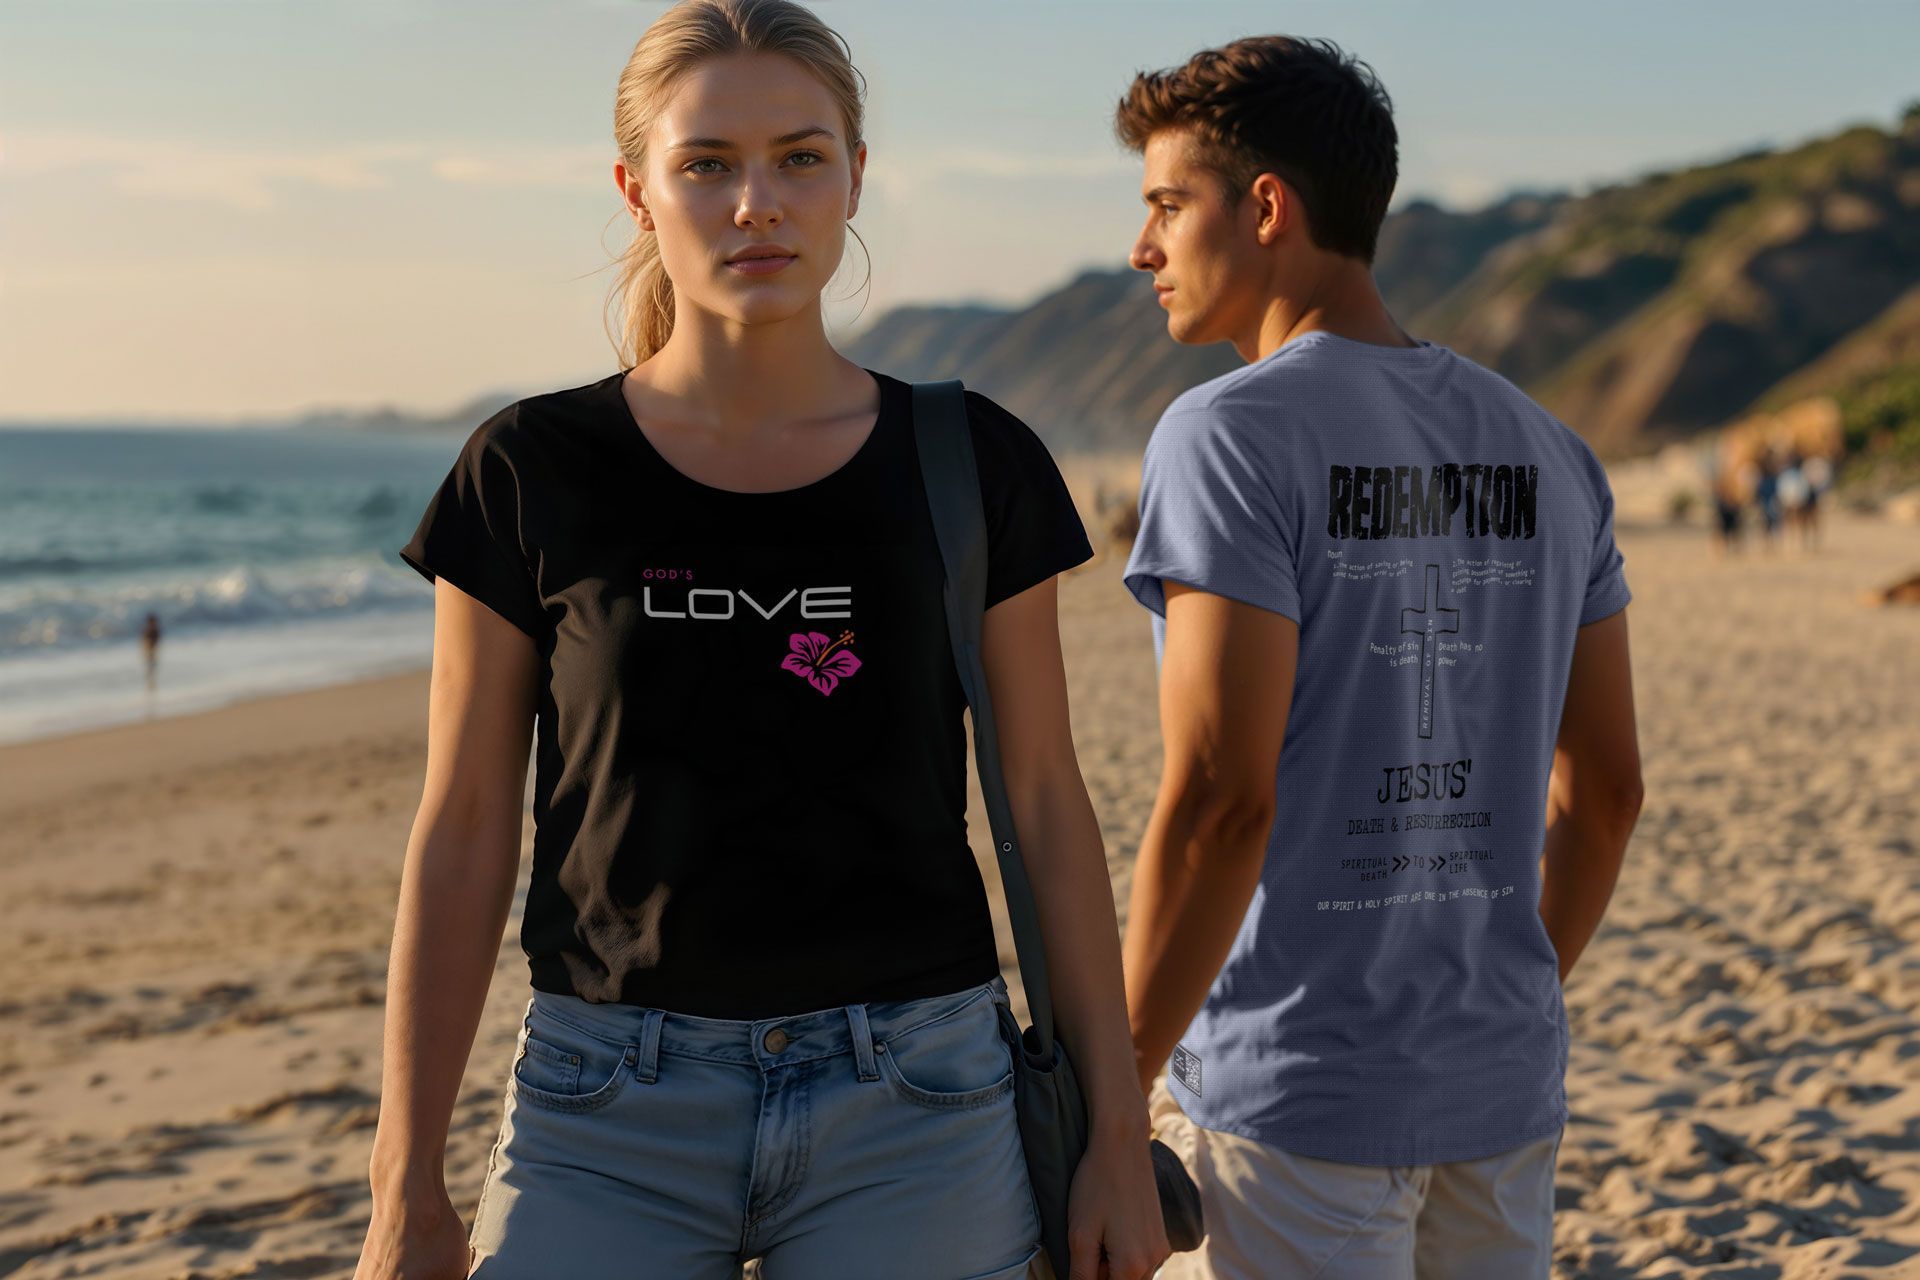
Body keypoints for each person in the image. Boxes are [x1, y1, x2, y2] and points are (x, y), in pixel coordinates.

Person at [353, 3, 1168, 1278]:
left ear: (855, 178)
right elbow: (462, 825)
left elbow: (1049, 801)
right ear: (637, 190)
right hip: (604, 1104)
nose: (757, 204)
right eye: (707, 164)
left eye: (800, 157)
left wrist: (1118, 1128)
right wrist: (404, 1186)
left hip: (917, 1098)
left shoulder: (971, 462)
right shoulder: (529, 469)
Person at [1108, 35, 1644, 1279]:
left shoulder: (1228, 436)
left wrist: (1115, 1074)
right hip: (1501, 1083)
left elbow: (1219, 803)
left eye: (1165, 207)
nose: (1143, 249)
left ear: (1265, 208)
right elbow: (1607, 790)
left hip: (1303, 1089)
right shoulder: (1551, 448)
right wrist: (1507, 996)